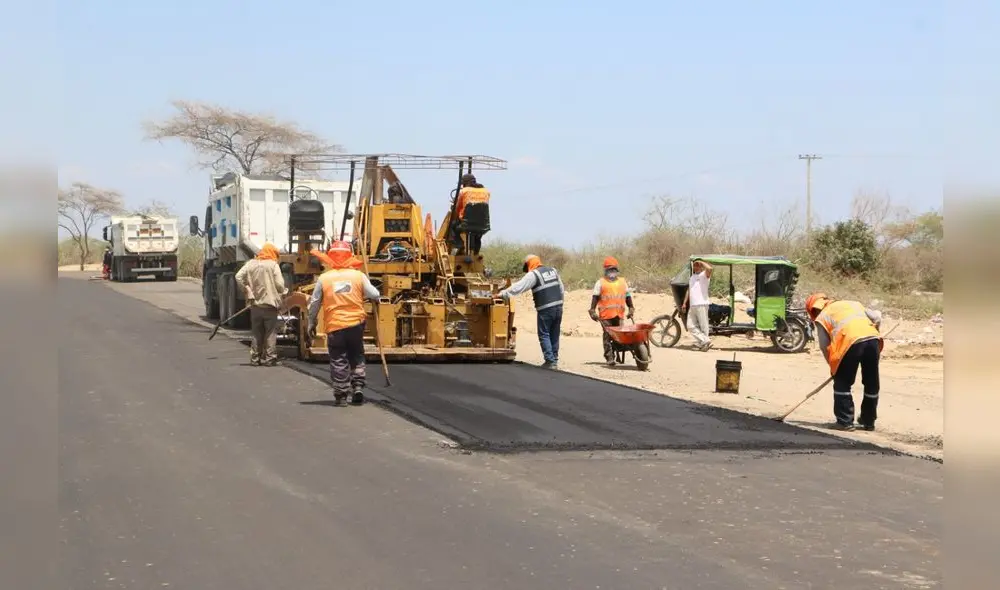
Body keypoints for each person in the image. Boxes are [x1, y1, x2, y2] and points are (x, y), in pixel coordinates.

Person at [307, 241, 381, 406]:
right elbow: (375, 294)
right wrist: (374, 298)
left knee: (339, 358)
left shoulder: (324, 279)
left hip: (335, 326)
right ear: (350, 255)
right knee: (356, 354)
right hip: (356, 324)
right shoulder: (358, 276)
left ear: (330, 257)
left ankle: (341, 395)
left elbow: (314, 303)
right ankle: (358, 386)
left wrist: (311, 323)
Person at [806, 292, 884, 432]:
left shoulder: (822, 317)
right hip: (873, 340)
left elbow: (824, 346)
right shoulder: (853, 303)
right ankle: (868, 420)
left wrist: (833, 368)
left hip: (850, 344)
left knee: (843, 382)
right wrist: (876, 331)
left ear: (814, 309)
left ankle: (845, 421)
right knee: (871, 382)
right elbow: (877, 317)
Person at [498, 254, 565, 369]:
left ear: (529, 264)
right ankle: (554, 360)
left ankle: (550, 361)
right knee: (555, 333)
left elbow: (519, 287)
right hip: (558, 307)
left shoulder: (534, 274)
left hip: (545, 309)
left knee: (544, 334)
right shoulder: (553, 271)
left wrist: (502, 294)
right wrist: (560, 303)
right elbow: (561, 289)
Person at [235, 242, 288, 366]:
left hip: (255, 306)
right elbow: (280, 285)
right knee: (270, 332)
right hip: (270, 306)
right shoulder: (273, 266)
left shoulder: (251, 264)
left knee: (256, 333)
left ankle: (255, 358)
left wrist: (246, 289)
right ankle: (270, 359)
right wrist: (282, 291)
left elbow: (238, 276)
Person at [588, 256, 635, 366]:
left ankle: (618, 352)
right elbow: (595, 297)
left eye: (613, 269)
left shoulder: (623, 282)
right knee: (607, 336)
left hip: (619, 314)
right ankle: (609, 357)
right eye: (609, 270)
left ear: (617, 270)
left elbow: (627, 296)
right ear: (606, 270)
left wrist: (631, 308)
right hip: (606, 315)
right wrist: (592, 310)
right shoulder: (600, 283)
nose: (612, 272)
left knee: (619, 336)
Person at [451, 173, 490, 255]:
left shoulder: (464, 191)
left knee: (453, 226)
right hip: (483, 225)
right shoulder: (485, 191)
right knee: (477, 236)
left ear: (464, 183)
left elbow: (457, 208)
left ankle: (459, 244)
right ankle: (475, 254)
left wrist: (456, 213)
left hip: (466, 224)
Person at [681, 259, 713, 351]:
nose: (696, 267)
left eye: (698, 265)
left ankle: (704, 344)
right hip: (693, 304)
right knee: (690, 325)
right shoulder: (692, 277)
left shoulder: (704, 275)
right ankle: (705, 340)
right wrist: (684, 303)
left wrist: (701, 262)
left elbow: (710, 269)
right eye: (695, 265)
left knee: (704, 326)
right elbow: (689, 290)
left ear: (701, 267)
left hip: (702, 303)